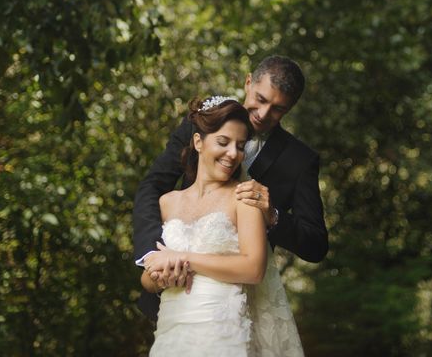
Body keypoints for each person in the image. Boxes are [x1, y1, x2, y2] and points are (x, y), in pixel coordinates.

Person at [133, 56, 328, 349]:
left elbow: (316, 244)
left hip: (243, 303)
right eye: (260, 99)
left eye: (278, 109)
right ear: (248, 82)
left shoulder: (300, 161)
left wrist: (272, 215)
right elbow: (152, 187)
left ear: (291, 108)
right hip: (176, 298)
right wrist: (152, 255)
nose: (263, 114)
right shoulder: (201, 125)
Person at [144, 96, 267, 355]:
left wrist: (185, 258)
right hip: (171, 328)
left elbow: (254, 269)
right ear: (198, 142)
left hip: (220, 330)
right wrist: (160, 274)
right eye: (223, 142)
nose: (233, 154)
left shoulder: (244, 197)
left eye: (240, 145)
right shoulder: (168, 202)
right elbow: (148, 277)